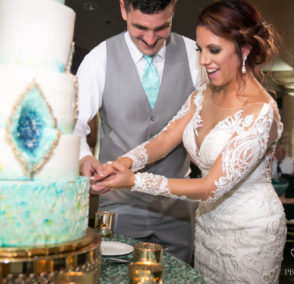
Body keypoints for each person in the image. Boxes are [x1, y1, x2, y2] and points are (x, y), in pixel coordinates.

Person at [92, 0, 286, 282]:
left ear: (244, 50)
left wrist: (133, 181)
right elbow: (163, 141)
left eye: (214, 50)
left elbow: (209, 187)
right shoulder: (203, 94)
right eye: (200, 49)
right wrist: (121, 163)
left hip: (250, 232)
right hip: (208, 226)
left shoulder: (261, 110)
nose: (203, 60)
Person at [75, 0, 206, 263]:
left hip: (177, 206)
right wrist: (83, 156)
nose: (149, 39)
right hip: (119, 204)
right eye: (140, 27)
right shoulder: (100, 57)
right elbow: (75, 123)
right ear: (123, 9)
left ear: (173, 11)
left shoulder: (195, 54)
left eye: (161, 28)